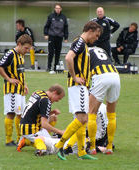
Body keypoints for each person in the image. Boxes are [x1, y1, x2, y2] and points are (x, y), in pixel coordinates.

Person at [54, 21, 102, 161]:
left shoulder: (84, 45)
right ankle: (60, 144)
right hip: (77, 86)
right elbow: (69, 57)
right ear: (90, 31)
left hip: (82, 86)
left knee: (82, 120)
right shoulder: (79, 42)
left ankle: (81, 152)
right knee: (82, 119)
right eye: (97, 35)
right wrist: (74, 76)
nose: (97, 38)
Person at [0, 34, 33, 146]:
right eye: (26, 48)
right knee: (11, 113)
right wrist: (8, 79)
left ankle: (19, 139)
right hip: (12, 90)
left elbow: (20, 72)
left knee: (20, 113)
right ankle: (8, 140)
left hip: (20, 90)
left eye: (28, 49)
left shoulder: (21, 55)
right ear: (19, 44)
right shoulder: (10, 54)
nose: (27, 51)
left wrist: (24, 84)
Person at [87, 46, 120, 155]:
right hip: (115, 75)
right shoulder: (101, 49)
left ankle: (92, 147)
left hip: (100, 75)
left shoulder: (84, 51)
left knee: (91, 113)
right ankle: (109, 146)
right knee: (111, 114)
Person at [18, 84, 65, 156]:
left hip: (24, 125)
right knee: (55, 148)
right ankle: (28, 141)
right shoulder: (46, 101)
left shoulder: (38, 92)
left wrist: (51, 112)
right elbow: (44, 124)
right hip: (31, 129)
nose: (58, 101)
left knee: (53, 116)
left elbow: (34, 112)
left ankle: (27, 139)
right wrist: (60, 132)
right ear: (55, 92)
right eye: (59, 98)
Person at [44, 4, 69, 73]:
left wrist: (66, 37)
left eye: (59, 8)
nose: (58, 9)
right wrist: (46, 34)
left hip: (59, 37)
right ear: (54, 9)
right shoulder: (51, 16)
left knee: (58, 52)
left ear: (61, 9)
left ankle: (56, 67)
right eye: (56, 8)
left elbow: (66, 28)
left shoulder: (63, 17)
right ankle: (49, 67)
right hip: (52, 36)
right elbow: (46, 26)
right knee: (51, 52)